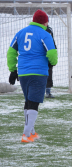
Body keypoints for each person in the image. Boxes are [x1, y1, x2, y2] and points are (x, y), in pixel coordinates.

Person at [7, 10, 57, 142]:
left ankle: (32, 131)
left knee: (28, 101)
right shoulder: (45, 34)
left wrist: (13, 70)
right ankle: (26, 134)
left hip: (23, 73)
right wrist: (52, 63)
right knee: (34, 103)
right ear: (45, 22)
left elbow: (11, 52)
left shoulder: (21, 33)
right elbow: (52, 54)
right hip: (38, 72)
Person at [45, 25, 57, 98]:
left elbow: (52, 42)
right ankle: (47, 91)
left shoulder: (49, 30)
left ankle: (48, 91)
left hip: (48, 54)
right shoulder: (48, 30)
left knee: (49, 72)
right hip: (42, 54)